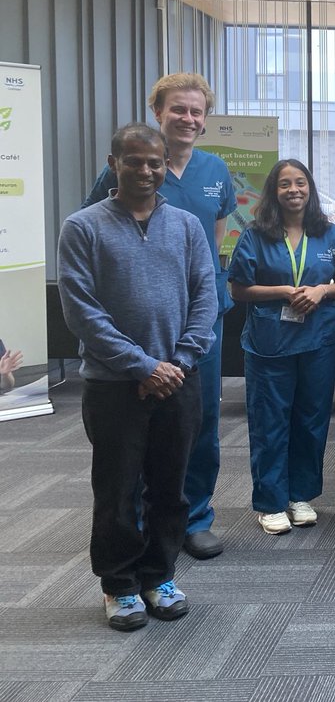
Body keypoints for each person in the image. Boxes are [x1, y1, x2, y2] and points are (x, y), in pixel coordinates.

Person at [59, 123, 216, 631]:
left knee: (170, 487)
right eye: (134, 161)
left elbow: (205, 298)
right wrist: (143, 366)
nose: (146, 171)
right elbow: (82, 312)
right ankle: (119, 584)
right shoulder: (82, 227)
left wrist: (180, 362)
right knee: (118, 489)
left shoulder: (188, 226)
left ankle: (158, 575)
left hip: (180, 377)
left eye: (155, 162)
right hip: (114, 385)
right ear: (113, 163)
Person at [83, 73, 236, 561]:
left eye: (196, 111)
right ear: (159, 113)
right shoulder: (130, 166)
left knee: (198, 421)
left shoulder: (216, 170)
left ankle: (194, 518)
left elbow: (214, 249)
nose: (188, 119)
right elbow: (96, 240)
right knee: (135, 426)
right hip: (136, 327)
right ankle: (138, 522)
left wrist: (199, 321)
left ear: (206, 120)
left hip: (197, 323)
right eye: (178, 109)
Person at [228, 159, 335, 535]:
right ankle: (270, 501)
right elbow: (238, 289)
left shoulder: (328, 233)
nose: (294, 190)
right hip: (270, 342)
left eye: (301, 183)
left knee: (311, 419)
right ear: (274, 192)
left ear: (310, 189)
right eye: (285, 184)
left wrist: (321, 290)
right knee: (270, 421)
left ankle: (301, 496)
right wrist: (283, 291)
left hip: (317, 340)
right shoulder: (254, 234)